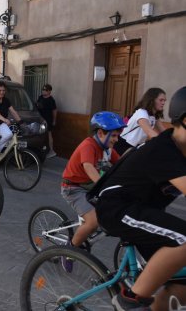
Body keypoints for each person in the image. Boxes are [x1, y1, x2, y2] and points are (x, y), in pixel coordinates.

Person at [94, 87, 186, 311]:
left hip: (144, 211)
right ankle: (129, 300)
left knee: (182, 286)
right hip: (116, 209)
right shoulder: (165, 149)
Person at [60, 111, 125, 272]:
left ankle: (85, 235)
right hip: (73, 188)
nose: (117, 140)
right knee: (93, 222)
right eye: (114, 135)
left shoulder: (108, 149)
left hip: (89, 187)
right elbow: (88, 166)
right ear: (101, 133)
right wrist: (104, 187)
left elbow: (122, 164)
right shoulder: (88, 145)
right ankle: (69, 250)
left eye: (118, 136)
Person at [115, 87, 167, 156]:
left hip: (135, 147)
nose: (163, 103)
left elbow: (164, 133)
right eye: (161, 100)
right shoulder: (142, 113)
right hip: (124, 145)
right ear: (152, 100)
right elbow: (150, 133)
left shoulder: (154, 116)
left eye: (164, 100)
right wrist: (165, 143)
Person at [36, 83, 58, 158]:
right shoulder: (40, 97)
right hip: (39, 120)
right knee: (40, 134)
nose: (43, 91)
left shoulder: (51, 100)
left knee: (49, 134)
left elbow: (54, 111)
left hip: (48, 120)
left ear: (49, 91)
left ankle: (51, 151)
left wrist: (54, 121)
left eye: (45, 90)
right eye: (43, 89)